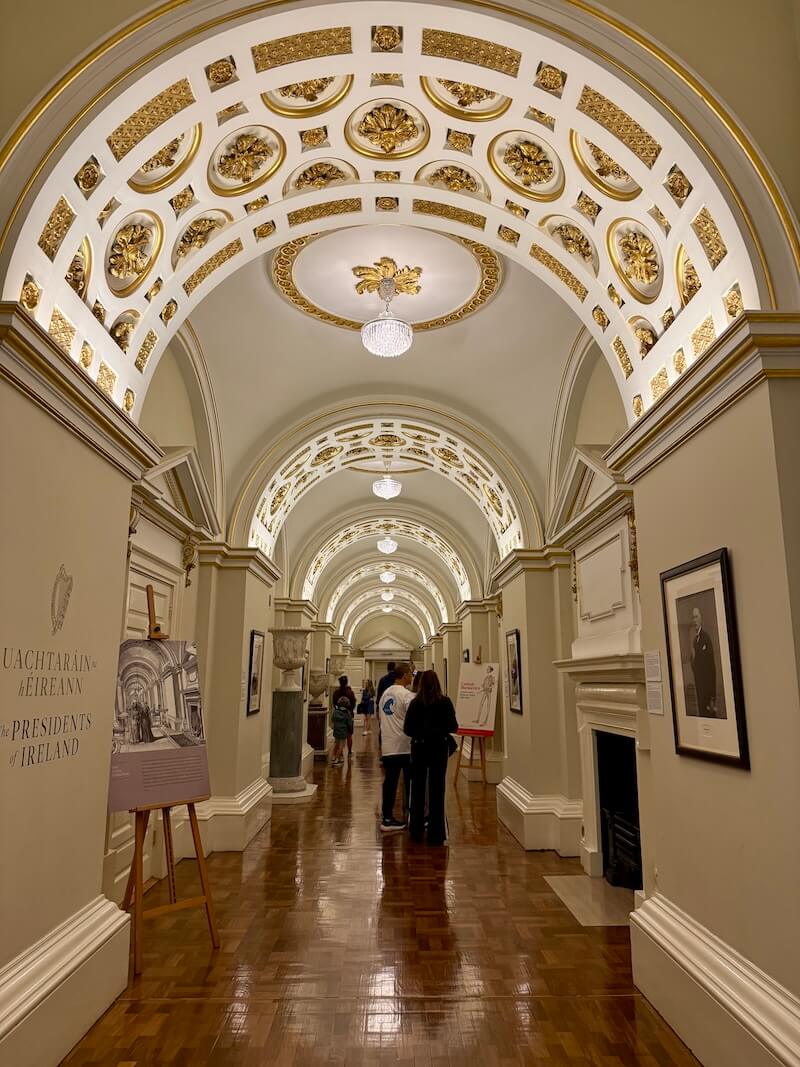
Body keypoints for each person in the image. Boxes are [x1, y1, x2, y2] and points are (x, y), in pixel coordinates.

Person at [404, 670, 458, 846]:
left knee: (418, 788)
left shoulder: (415, 703)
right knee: (437, 789)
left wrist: (422, 732)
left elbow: (407, 729)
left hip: (419, 748)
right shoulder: (445, 702)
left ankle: (416, 830)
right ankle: (436, 833)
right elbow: (453, 726)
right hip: (439, 749)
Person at [377, 662, 414, 832]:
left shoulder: (385, 694)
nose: (412, 677)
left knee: (390, 783)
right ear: (405, 675)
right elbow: (415, 719)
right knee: (409, 783)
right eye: (411, 674)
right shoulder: (407, 696)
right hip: (405, 745)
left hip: (388, 744)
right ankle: (410, 815)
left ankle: (387, 817)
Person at [689, 606, 717, 716]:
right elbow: (696, 666)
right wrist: (692, 658)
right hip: (699, 688)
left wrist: (712, 695)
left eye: (696, 617)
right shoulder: (695, 640)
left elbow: (711, 667)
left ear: (701, 619)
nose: (694, 620)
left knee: (710, 716)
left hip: (707, 689)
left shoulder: (706, 638)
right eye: (693, 618)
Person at [330, 675, 356, 765]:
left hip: (338, 715)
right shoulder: (350, 692)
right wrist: (349, 710)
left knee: (337, 740)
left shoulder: (336, 692)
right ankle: (348, 752)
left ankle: (339, 756)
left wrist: (338, 710)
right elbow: (353, 704)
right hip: (348, 714)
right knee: (349, 735)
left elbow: (334, 703)